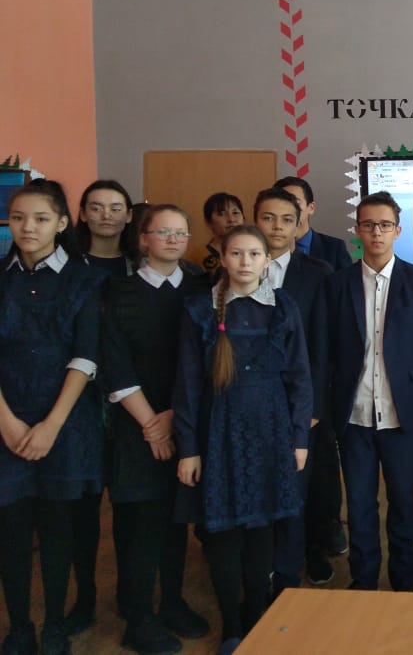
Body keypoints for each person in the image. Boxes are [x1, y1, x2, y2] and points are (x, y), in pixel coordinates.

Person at [174, 225, 313, 655]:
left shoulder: (283, 307)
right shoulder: (200, 309)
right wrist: (189, 448)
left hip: (271, 433)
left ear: (267, 260)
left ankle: (255, 619)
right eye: (236, 253)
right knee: (222, 536)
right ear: (223, 257)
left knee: (261, 532)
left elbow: (300, 378)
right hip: (217, 434)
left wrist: (299, 439)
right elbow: (187, 385)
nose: (245, 262)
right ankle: (231, 628)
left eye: (254, 254)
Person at [0, 179, 105, 655]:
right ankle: (20, 627)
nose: (28, 227)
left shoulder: (84, 279)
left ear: (62, 223)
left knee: (60, 529)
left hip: (66, 422)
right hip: (6, 421)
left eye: (41, 218)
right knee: (12, 531)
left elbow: (86, 357)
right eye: (18, 217)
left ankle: (56, 625)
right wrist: (7, 422)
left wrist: (51, 425)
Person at [101, 204, 211, 653]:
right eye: (163, 232)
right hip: (136, 428)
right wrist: (152, 422)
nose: (172, 240)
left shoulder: (201, 290)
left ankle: (172, 602)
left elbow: (206, 359)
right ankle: (139, 616)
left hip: (184, 423)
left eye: (180, 233)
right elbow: (114, 362)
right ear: (143, 238)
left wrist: (173, 418)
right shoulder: (118, 292)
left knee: (175, 519)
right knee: (141, 523)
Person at [325, 191, 413, 591]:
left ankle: (404, 583)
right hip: (354, 415)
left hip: (401, 414)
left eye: (385, 225)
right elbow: (328, 347)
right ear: (357, 230)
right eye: (369, 224)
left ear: (397, 231)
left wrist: (406, 380)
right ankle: (364, 583)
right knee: (359, 505)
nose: (377, 232)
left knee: (404, 502)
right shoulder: (338, 284)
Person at [64, 178, 138, 636]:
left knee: (130, 508)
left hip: (132, 403)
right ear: (82, 214)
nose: (106, 215)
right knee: (82, 511)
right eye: (96, 207)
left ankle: (131, 596)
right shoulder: (70, 268)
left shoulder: (139, 266)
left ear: (129, 214)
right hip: (81, 405)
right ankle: (85, 596)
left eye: (115, 207)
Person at [252, 187, 335, 594]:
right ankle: (259, 575)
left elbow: (323, 346)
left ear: (299, 222)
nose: (277, 227)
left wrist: (312, 406)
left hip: (299, 404)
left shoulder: (318, 273)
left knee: (296, 492)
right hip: (249, 404)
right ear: (256, 221)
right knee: (256, 491)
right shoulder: (236, 267)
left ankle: (288, 576)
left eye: (287, 219)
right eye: (268, 218)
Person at [273, 176, 351, 272]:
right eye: (282, 203)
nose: (288, 209)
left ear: (311, 208)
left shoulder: (334, 248)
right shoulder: (263, 248)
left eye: (295, 202)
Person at [198, 192, 244, 280]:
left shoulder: (254, 252)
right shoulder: (198, 257)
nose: (231, 219)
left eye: (235, 213)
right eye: (222, 214)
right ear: (208, 222)